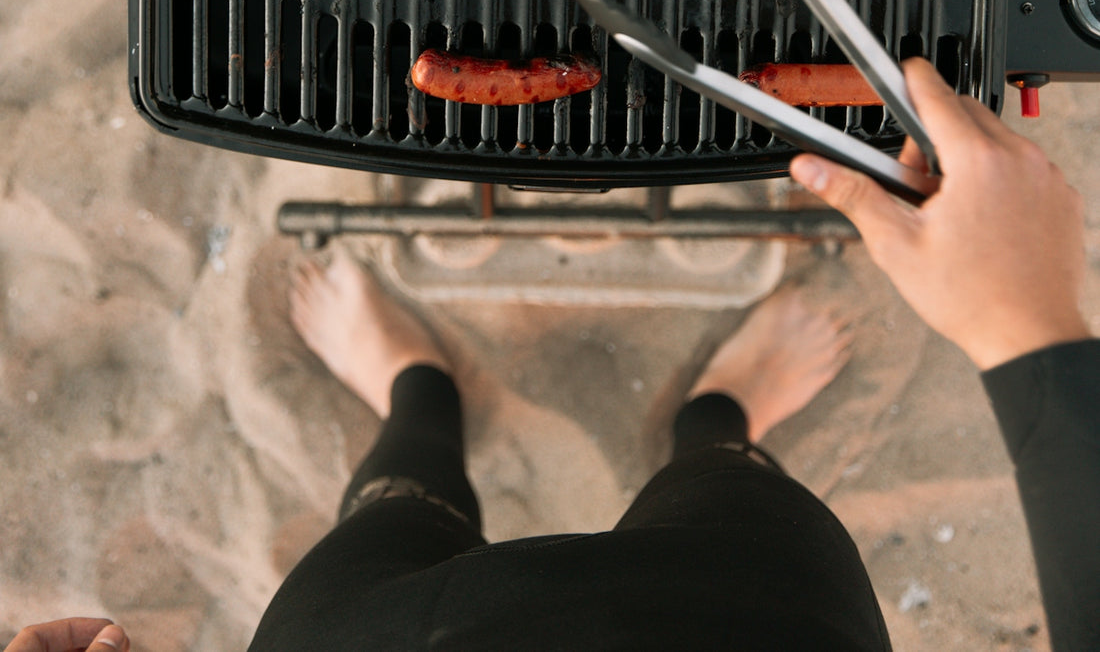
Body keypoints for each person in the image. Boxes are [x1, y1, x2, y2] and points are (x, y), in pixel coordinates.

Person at [6, 60, 1097, 652]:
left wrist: (1027, 322)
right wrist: (1027, 323)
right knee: (719, 483)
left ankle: (415, 386)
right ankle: (717, 418)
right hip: (760, 626)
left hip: (367, 641)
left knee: (399, 507)